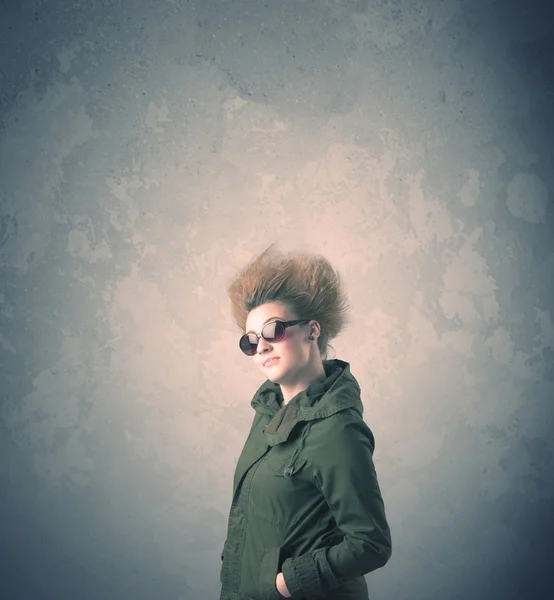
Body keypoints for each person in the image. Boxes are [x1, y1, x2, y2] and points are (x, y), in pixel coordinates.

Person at [219, 242, 392, 600]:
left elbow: (370, 543)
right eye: (250, 341)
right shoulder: (267, 412)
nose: (261, 347)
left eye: (274, 330)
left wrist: (286, 582)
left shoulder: (338, 429)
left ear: (313, 331)